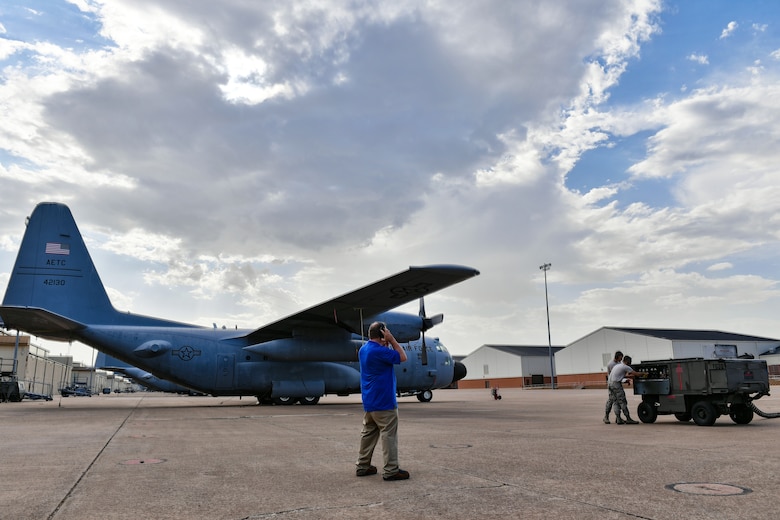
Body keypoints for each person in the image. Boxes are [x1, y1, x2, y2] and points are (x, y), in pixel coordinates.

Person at [355, 321, 410, 481]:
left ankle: (362, 466)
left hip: (369, 400)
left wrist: (384, 342)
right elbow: (403, 357)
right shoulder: (380, 351)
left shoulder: (364, 349)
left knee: (368, 434)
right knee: (388, 435)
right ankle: (391, 470)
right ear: (382, 334)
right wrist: (392, 340)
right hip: (384, 401)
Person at [608, 355, 640, 424]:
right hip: (616, 385)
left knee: (616, 402)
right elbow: (637, 374)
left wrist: (626, 380)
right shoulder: (625, 367)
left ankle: (618, 419)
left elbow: (619, 376)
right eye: (630, 362)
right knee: (622, 401)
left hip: (610, 384)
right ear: (627, 361)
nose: (630, 363)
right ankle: (628, 418)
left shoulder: (617, 366)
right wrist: (644, 373)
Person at [603, 351, 623, 424]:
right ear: (617, 356)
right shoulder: (611, 364)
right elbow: (614, 375)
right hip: (612, 384)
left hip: (617, 383)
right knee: (612, 400)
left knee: (618, 400)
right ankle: (606, 416)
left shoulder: (619, 363)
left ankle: (618, 417)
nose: (621, 359)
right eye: (621, 357)